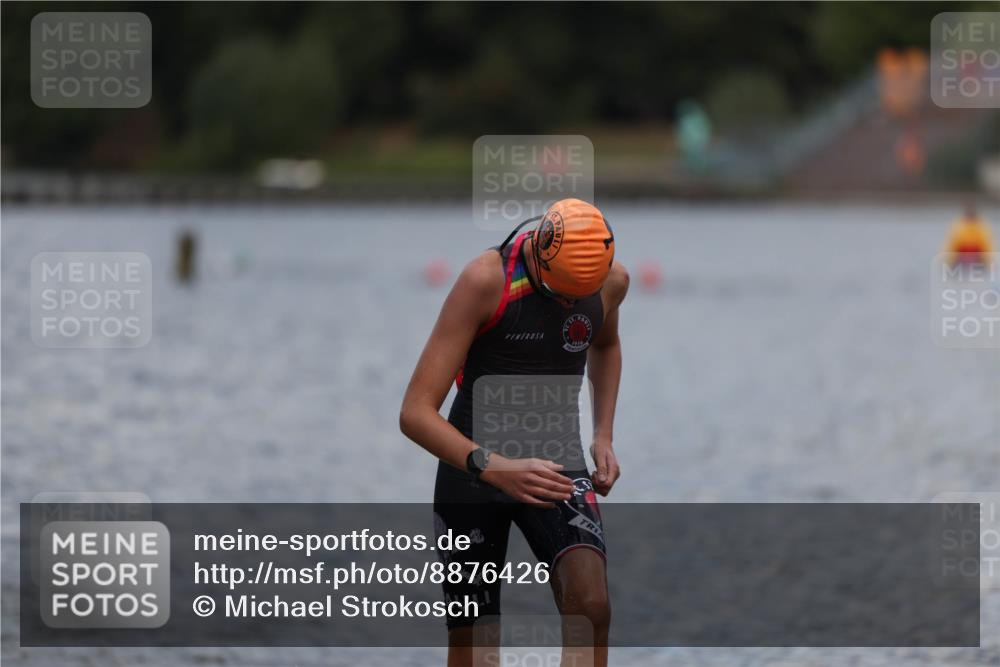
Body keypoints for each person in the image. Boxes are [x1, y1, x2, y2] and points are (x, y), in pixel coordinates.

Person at [400, 198, 628, 667]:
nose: (569, 305)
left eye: (576, 298)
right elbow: (415, 413)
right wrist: (494, 467)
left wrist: (603, 434)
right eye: (561, 294)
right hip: (472, 471)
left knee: (592, 607)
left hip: (556, 463)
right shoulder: (486, 281)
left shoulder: (611, 281)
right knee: (476, 643)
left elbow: (606, 344)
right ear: (541, 257)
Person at [944, 203, 995, 267]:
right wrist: (951, 260)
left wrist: (987, 261)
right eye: (968, 212)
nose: (970, 214)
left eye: (971, 212)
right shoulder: (958, 226)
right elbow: (952, 245)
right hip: (960, 260)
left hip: (978, 260)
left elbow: (987, 245)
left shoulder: (981, 227)